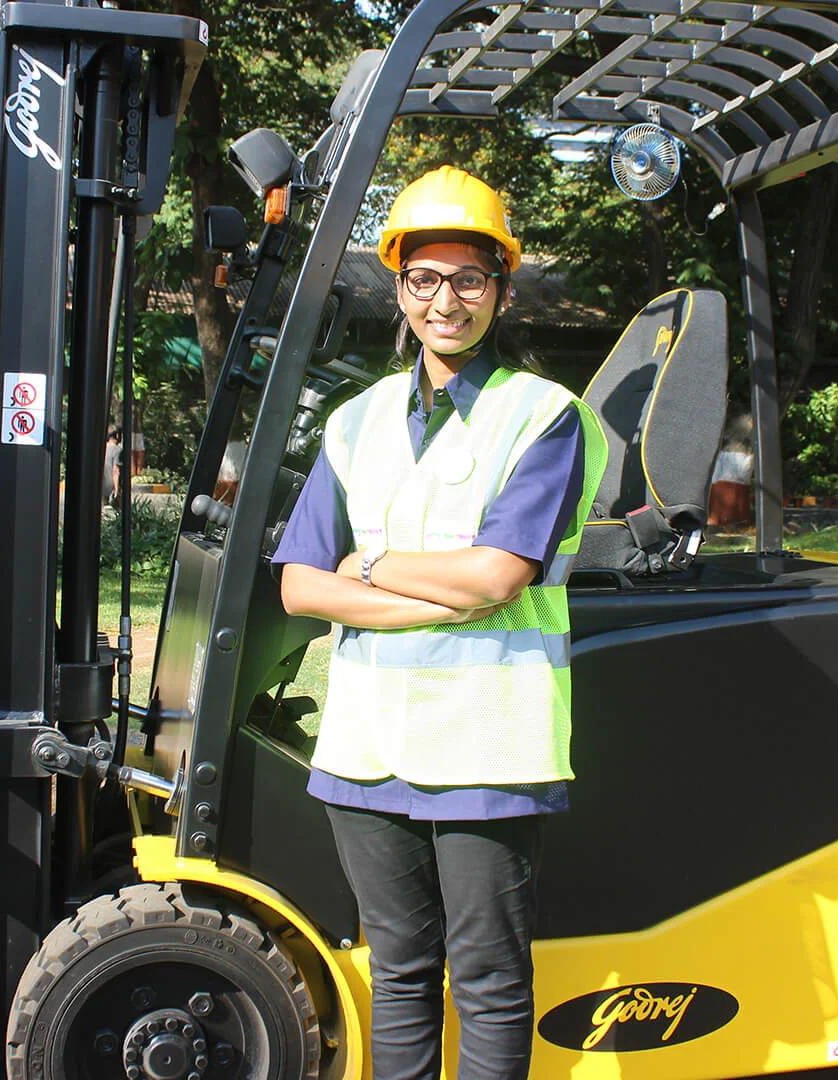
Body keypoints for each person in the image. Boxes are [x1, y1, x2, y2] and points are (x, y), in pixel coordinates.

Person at [271, 166, 604, 1080]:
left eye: (468, 279)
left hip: (490, 749)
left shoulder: (541, 419)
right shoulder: (355, 422)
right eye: (426, 278)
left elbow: (498, 576)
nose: (445, 299)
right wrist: (434, 588)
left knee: (490, 976)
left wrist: (370, 568)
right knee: (402, 973)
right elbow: (300, 587)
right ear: (400, 288)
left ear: (500, 290)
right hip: (366, 750)